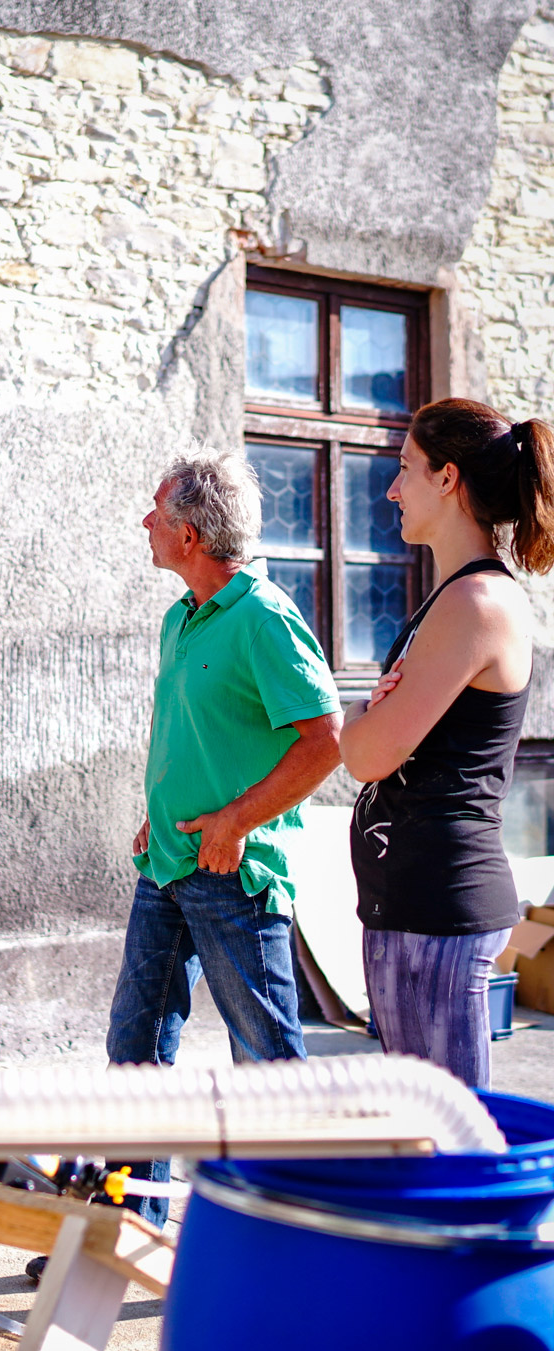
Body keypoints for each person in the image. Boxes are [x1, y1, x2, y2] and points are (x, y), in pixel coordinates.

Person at [106, 447, 342, 1228]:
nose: (144, 522)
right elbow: (199, 731)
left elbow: (326, 740)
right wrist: (160, 806)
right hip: (166, 867)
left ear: (191, 535)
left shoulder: (264, 617)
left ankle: (296, 1237)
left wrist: (238, 818)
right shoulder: (180, 618)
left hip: (236, 877)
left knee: (267, 1064)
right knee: (135, 1047)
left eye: (157, 512)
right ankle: (130, 1226)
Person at [341, 399, 554, 1089]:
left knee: (452, 1137)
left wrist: (363, 716)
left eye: (406, 468)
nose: (392, 489)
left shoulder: (476, 604)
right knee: (417, 1131)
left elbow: (367, 754)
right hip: (410, 910)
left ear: (447, 477)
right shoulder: (452, 599)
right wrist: (371, 719)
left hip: (440, 915)